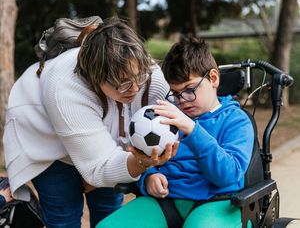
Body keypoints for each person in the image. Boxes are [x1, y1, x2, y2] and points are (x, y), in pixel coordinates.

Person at [3, 17, 178, 228]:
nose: (133, 88)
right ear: (95, 78)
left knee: (108, 209)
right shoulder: (65, 88)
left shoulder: (149, 75)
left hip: (101, 132)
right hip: (45, 139)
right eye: (121, 84)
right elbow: (98, 168)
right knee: (64, 215)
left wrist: (108, 174)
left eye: (138, 78)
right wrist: (139, 163)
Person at [97, 37, 254, 228]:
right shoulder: (163, 116)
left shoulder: (236, 120)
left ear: (213, 78)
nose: (182, 100)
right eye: (175, 93)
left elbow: (227, 175)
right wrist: (149, 177)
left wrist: (192, 129)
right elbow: (148, 158)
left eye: (189, 90)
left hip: (217, 200)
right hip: (165, 201)